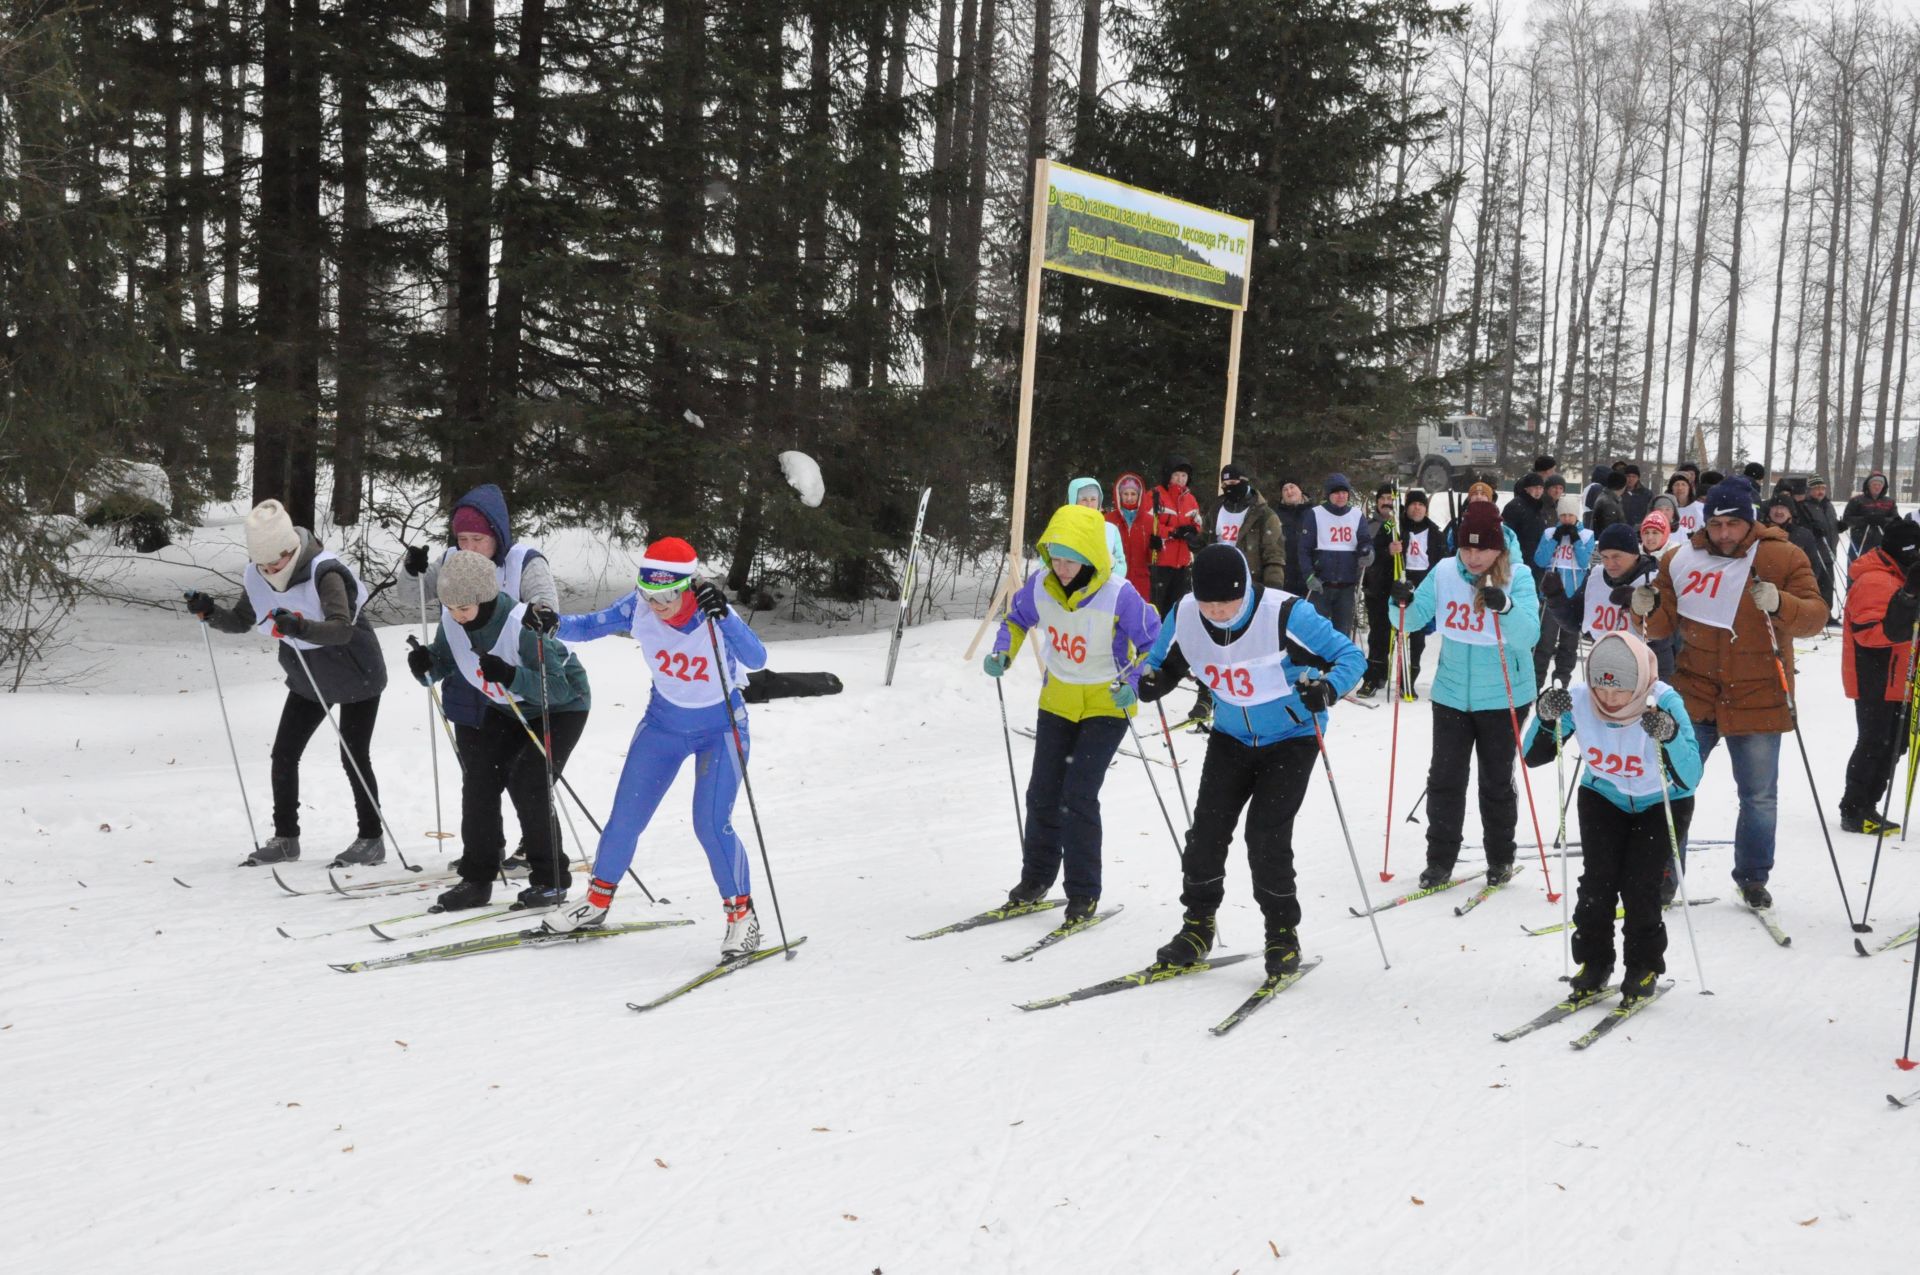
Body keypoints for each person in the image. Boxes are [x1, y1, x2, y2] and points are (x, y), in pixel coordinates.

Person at [1139, 544, 1365, 976]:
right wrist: (1153, 682)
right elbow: (1164, 659)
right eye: (1209, 603)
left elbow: (1350, 657)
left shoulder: (1284, 614)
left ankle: (1281, 936)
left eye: (1227, 603)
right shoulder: (1186, 612)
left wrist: (1329, 689)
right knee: (1206, 834)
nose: (1217, 612)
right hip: (1230, 736)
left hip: (1292, 736)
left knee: (1265, 837)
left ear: (1245, 590)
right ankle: (1196, 927)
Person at [540, 538, 771, 958]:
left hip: (721, 728)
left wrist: (728, 618)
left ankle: (743, 917)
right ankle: (595, 902)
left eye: (666, 595)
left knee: (710, 822)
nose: (657, 605)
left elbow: (756, 658)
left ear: (687, 585)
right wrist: (553, 623)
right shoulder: (639, 605)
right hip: (664, 724)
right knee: (625, 817)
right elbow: (592, 625)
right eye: (650, 594)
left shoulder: (711, 609)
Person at [1631, 481, 1825, 908]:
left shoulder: (1783, 556)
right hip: (1695, 692)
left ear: (1749, 519)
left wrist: (1779, 603)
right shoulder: (1681, 559)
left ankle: (1753, 877)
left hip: (1759, 692)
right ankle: (1664, 872)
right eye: (1716, 524)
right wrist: (1643, 608)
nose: (1723, 533)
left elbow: (1814, 618)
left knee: (1758, 795)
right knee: (1671, 786)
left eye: (1733, 523)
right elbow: (1661, 624)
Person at [185, 499, 389, 868]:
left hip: (355, 671)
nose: (268, 571)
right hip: (306, 675)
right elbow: (243, 620)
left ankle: (371, 839)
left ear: (290, 549)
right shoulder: (258, 573)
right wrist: (211, 613)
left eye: (274, 563)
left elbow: (341, 628)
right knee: (284, 754)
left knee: (353, 755)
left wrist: (300, 625)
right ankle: (285, 839)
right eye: (261, 565)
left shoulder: (326, 573)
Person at [985, 504, 1160, 926]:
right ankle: (1036, 879)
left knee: (1078, 795)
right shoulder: (1039, 586)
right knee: (1042, 793)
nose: (1061, 568)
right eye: (1055, 558)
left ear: (1090, 558)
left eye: (1071, 559)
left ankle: (1082, 893)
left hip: (1106, 704)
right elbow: (1016, 620)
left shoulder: (1120, 594)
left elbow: (1155, 643)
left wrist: (1134, 683)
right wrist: (1001, 653)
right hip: (1058, 702)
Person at [1523, 631, 1703, 1004]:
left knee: (1641, 885)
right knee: (1597, 884)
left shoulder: (1663, 701)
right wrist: (1544, 717)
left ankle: (1643, 965)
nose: (1609, 699)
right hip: (1603, 795)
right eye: (1601, 689)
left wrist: (1668, 736)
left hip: (1662, 799)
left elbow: (1691, 775)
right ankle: (1594, 962)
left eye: (1620, 691)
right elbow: (1534, 756)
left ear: (1639, 682)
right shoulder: (1580, 700)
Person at [407, 550, 591, 911]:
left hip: (561, 707)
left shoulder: (521, 624)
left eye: (465, 607)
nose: (458, 615)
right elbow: (442, 664)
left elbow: (559, 687)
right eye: (451, 607)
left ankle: (550, 880)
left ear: (485, 596)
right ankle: (477, 879)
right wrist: (424, 664)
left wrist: (510, 674)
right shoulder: (452, 621)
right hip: (507, 708)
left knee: (529, 781)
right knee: (479, 780)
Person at [401, 483, 559, 874]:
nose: (469, 546)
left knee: (524, 779)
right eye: (463, 538)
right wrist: (412, 570)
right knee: (478, 780)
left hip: (517, 688)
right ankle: (485, 849)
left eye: (478, 538)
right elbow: (413, 597)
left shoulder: (524, 561)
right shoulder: (452, 560)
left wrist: (541, 618)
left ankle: (533, 847)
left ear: (498, 537)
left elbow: (547, 613)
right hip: (466, 684)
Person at [1388, 500, 1541, 890]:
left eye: (1483, 549)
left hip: (1504, 697)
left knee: (1494, 782)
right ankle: (1439, 861)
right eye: (1466, 548)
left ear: (1499, 549)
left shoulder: (1518, 576)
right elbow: (1407, 622)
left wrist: (1505, 607)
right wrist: (1399, 599)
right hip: (1452, 694)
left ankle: (1500, 858)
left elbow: (1529, 637)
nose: (1473, 557)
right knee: (1444, 779)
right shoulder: (1443, 572)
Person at [1839, 518, 1920, 835]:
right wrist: (1908, 598)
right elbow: (1871, 634)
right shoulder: (1875, 580)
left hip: (1902, 676)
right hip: (1875, 676)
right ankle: (1855, 807)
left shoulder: (1900, 576)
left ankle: (1868, 803)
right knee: (1875, 742)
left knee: (1895, 744)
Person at [1364, 488, 1438, 697]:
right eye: (1413, 503)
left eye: (1421, 504)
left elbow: (1439, 564)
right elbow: (1374, 552)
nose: (1417, 508)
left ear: (1426, 508)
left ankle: (1408, 680)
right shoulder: (1393, 525)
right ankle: (1374, 677)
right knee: (1380, 635)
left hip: (1420, 591)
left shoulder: (1434, 532)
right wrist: (1388, 551)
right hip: (1389, 588)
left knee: (1416, 639)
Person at [1533, 494, 1593, 690]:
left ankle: (1560, 685)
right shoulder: (1550, 533)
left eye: (1571, 515)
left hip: (1574, 598)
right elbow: (1540, 560)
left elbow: (1584, 562)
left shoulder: (1586, 535)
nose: (1567, 519)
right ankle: (1535, 683)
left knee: (1568, 646)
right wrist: (1555, 541)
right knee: (1545, 643)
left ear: (1577, 516)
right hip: (1552, 597)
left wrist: (1575, 541)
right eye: (1563, 515)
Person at [1302, 473, 1370, 638]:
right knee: (1317, 633)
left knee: (1342, 634)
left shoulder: (1356, 515)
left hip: (1346, 587)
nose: (1341, 496)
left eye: (1344, 492)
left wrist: (1367, 552)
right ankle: (1317, 663)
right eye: (1336, 492)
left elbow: (1365, 541)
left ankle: (1341, 663)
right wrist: (1309, 575)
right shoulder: (1315, 514)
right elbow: (1304, 549)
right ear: (1329, 495)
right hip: (1321, 585)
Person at [1204, 465, 1287, 586]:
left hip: (1249, 582)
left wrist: (1273, 587)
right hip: (1218, 579)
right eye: (1224, 484)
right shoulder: (1215, 510)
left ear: (1244, 482)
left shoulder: (1264, 514)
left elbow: (1273, 556)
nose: (1228, 488)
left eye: (1233, 482)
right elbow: (1203, 542)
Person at [1146, 458, 1205, 617]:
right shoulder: (1155, 495)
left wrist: (1191, 530)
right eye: (1176, 475)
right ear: (1168, 476)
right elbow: (1149, 524)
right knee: (1156, 607)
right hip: (1160, 561)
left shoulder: (1190, 499)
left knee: (1176, 608)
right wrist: (1172, 532)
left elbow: (1197, 522)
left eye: (1184, 476)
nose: (1180, 479)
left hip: (1182, 563)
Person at [1766, 494, 1831, 611]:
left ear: (1791, 512)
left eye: (1783, 508)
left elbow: (1814, 565)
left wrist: (1804, 585)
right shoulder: (1761, 533)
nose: (1779, 511)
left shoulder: (1803, 535)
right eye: (1775, 507)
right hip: (1766, 592)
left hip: (1795, 592)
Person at [1069, 476, 1129, 579]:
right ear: (1074, 501)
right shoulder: (1064, 527)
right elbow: (1046, 568)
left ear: (1099, 501)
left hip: (1103, 591)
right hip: (1071, 591)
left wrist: (1112, 563)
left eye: (1093, 499)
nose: (1089, 504)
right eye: (1084, 499)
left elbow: (1122, 571)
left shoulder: (1110, 530)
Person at [1106, 471, 1154, 600]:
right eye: (1125, 494)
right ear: (1119, 495)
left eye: (1133, 494)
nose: (1129, 497)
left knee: (1138, 615)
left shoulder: (1149, 521)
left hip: (1140, 580)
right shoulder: (1108, 519)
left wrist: (1155, 547)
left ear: (1139, 495)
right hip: (1115, 578)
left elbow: (1153, 559)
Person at [1503, 472, 1549, 574]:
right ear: (1526, 489)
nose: (1538, 491)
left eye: (1541, 488)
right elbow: (1507, 534)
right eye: (1535, 487)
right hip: (1519, 558)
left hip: (1538, 559)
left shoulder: (1541, 507)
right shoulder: (1514, 506)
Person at [1845, 471, 1899, 557]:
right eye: (1874, 484)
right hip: (1860, 542)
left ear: (1883, 486)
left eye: (1880, 484)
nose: (1877, 487)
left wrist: (1883, 520)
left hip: (1883, 543)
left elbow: (1897, 521)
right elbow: (1847, 519)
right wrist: (1865, 520)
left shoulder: (1890, 502)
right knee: (1857, 568)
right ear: (1868, 485)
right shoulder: (1856, 500)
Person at [1275, 481, 1314, 596]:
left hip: (1310, 574)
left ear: (1300, 490)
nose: (1289, 492)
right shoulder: (1275, 515)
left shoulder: (1314, 512)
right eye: (1285, 489)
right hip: (1286, 575)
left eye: (1292, 487)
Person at [1666, 473, 1703, 539]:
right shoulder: (1665, 509)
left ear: (1689, 488)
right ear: (1671, 488)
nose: (1680, 488)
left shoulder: (1700, 508)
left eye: (1683, 484)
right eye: (1676, 485)